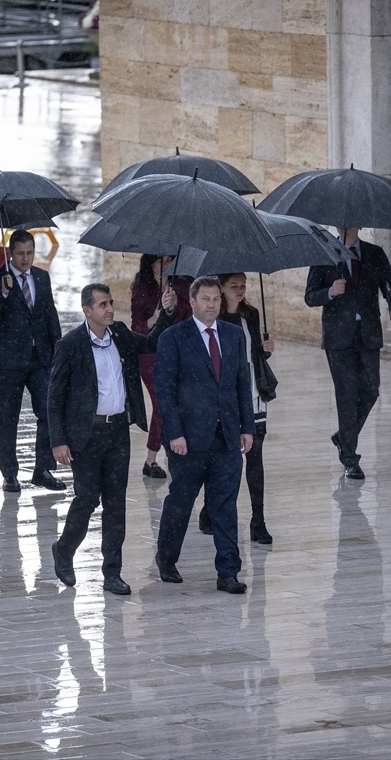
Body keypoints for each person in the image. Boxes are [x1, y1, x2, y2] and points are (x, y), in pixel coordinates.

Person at [48, 283, 176, 595]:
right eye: (102, 305)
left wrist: (167, 314)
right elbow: (54, 396)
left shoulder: (119, 333)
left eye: (110, 303)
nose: (109, 309)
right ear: (87, 310)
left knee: (116, 503)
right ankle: (64, 549)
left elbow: (150, 344)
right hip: (86, 435)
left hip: (118, 431)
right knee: (87, 498)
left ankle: (112, 573)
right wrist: (58, 441)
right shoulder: (71, 344)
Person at [154, 276, 256, 594]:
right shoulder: (174, 337)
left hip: (226, 437)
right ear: (193, 302)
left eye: (216, 299)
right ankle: (167, 559)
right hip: (187, 439)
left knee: (225, 505)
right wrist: (174, 434)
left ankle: (228, 572)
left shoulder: (233, 335)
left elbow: (242, 382)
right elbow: (164, 390)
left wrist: (248, 427)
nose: (212, 304)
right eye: (206, 299)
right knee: (181, 501)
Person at [304, 227, 391, 479]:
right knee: (347, 395)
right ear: (336, 226)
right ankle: (350, 458)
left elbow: (390, 287)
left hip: (368, 335)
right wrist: (329, 292)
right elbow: (309, 296)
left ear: (360, 226)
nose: (347, 225)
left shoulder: (375, 253)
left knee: (371, 390)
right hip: (338, 338)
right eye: (342, 222)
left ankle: (343, 437)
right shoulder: (324, 255)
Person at [0, 229, 64, 493]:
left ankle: (42, 469)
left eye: (29, 253)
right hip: (9, 362)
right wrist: (3, 293)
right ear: (11, 253)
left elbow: (50, 315)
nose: (25, 258)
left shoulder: (42, 277)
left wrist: (58, 353)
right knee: (8, 418)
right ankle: (10, 474)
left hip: (40, 359)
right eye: (20, 253)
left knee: (48, 412)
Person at [198, 272, 276, 544]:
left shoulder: (251, 314)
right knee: (220, 457)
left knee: (255, 459)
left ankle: (259, 519)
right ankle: (210, 509)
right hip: (225, 395)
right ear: (221, 289)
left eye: (243, 285)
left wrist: (265, 350)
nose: (240, 290)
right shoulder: (213, 320)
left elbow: (251, 353)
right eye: (234, 286)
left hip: (253, 392)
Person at [130, 253, 192, 480]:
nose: (167, 264)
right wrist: (154, 318)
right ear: (151, 262)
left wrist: (174, 309)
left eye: (171, 259)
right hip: (149, 353)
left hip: (176, 352)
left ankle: (165, 453)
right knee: (161, 403)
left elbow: (187, 318)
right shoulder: (141, 287)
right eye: (162, 260)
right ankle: (152, 457)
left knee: (174, 402)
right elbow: (136, 326)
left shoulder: (182, 285)